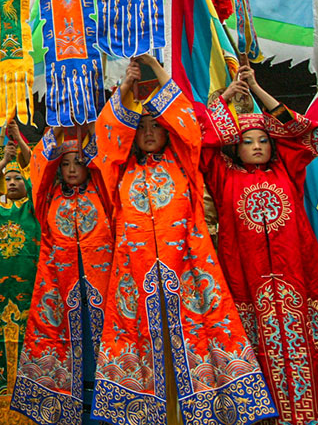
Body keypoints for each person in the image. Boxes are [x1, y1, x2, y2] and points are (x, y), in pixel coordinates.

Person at [92, 56, 275, 425]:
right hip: (135, 276)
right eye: (140, 126)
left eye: (155, 126)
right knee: (143, 351)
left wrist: (159, 71)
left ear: (166, 132)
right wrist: (126, 87)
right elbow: (106, 137)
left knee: (198, 342)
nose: (147, 132)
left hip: (189, 270)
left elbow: (189, 126)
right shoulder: (119, 172)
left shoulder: (184, 163)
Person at [201, 65, 318, 424]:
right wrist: (226, 97)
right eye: (247, 141)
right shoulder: (222, 173)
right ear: (234, 148)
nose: (256, 146)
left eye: (263, 140)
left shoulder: (286, 169)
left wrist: (257, 88)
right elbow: (200, 138)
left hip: (301, 279)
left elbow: (302, 132)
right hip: (246, 283)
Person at [12, 126, 112, 425]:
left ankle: (103, 409)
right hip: (59, 286)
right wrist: (57, 125)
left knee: (100, 344)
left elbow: (106, 156)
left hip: (101, 284)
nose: (71, 169)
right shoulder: (48, 195)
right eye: (66, 163)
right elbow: (39, 167)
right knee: (64, 343)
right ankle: (66, 409)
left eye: (78, 163)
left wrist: (89, 129)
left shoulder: (103, 192)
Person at [0, 120, 39, 425]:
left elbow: (36, 174)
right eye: (9, 178)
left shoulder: (33, 211)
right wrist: (3, 161)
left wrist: (19, 142)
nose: (13, 182)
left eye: (19, 178)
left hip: (29, 294)